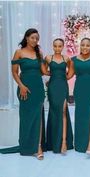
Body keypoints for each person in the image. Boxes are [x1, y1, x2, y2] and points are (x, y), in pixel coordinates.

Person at [0, 28, 46, 160]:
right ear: (26, 38)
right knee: (26, 118)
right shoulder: (19, 52)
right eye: (32, 37)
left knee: (38, 117)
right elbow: (14, 72)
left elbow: (43, 71)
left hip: (38, 88)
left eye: (37, 38)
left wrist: (56, 69)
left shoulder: (40, 53)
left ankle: (38, 147)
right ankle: (26, 146)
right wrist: (21, 86)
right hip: (24, 89)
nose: (35, 40)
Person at [67, 37, 90, 155]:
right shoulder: (73, 60)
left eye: (87, 45)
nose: (85, 47)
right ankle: (81, 143)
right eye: (83, 45)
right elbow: (69, 75)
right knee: (82, 116)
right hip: (80, 90)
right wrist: (54, 79)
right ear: (80, 46)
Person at [43, 38, 73, 154]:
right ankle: (53, 142)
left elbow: (70, 73)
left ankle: (64, 142)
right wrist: (52, 76)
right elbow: (44, 70)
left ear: (63, 47)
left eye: (60, 46)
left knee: (63, 112)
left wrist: (63, 76)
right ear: (52, 46)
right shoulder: (48, 58)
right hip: (53, 87)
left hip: (63, 87)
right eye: (55, 46)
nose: (57, 48)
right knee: (54, 112)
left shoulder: (67, 58)